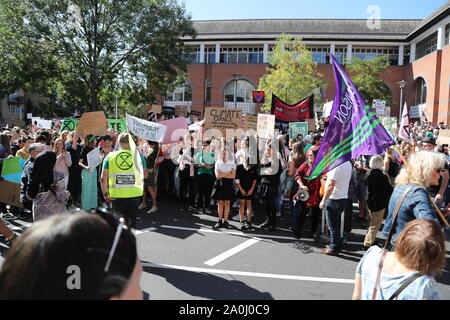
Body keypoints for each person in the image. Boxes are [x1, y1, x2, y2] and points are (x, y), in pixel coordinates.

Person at [353, 219, 445, 300]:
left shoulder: (372, 254)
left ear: (402, 238)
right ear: (435, 255)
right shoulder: (423, 288)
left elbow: (356, 297)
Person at [382, 151, 450, 247]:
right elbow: (432, 228)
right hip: (408, 248)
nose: (441, 174)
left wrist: (442, 213)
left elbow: (411, 215)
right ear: (427, 170)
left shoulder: (403, 185)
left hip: (397, 242)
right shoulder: (418, 193)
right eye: (439, 170)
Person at [101, 133, 147, 229]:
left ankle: (119, 242)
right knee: (131, 224)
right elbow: (145, 175)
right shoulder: (139, 156)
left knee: (118, 225)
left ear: (118, 142)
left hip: (117, 196)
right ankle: (130, 242)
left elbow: (103, 179)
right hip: (134, 194)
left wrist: (105, 194)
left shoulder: (110, 156)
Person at [319, 160, 353, 255]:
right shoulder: (348, 163)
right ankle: (335, 245)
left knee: (332, 226)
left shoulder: (336, 166)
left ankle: (334, 248)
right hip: (343, 197)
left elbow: (330, 185)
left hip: (334, 198)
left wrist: (323, 201)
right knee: (336, 224)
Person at [27, 151, 68, 221]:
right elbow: (61, 196)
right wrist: (67, 196)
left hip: (38, 212)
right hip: (55, 213)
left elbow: (29, 196)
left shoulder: (32, 174)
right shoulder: (58, 176)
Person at [363, 155, 393, 250]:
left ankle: (371, 239)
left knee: (371, 222)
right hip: (378, 202)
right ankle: (368, 243)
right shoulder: (381, 176)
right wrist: (387, 177)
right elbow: (389, 189)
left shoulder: (368, 172)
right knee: (376, 224)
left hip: (369, 200)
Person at [292, 147, 322, 241]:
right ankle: (297, 231)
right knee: (302, 213)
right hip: (305, 193)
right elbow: (297, 174)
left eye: (311, 155)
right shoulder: (305, 164)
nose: (309, 157)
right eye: (308, 155)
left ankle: (314, 232)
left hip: (317, 193)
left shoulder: (320, 165)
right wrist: (301, 184)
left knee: (316, 214)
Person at [258, 142, 283, 231]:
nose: (267, 151)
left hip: (272, 186)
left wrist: (266, 171)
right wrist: (265, 171)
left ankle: (273, 224)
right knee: (266, 205)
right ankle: (268, 221)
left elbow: (275, 173)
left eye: (269, 150)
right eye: (266, 150)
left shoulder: (276, 161)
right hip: (264, 185)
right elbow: (260, 172)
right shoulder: (264, 160)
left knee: (271, 205)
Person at [235, 137, 258, 230]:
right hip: (241, 187)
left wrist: (251, 189)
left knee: (249, 204)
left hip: (250, 188)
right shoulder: (240, 167)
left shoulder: (253, 167)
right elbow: (237, 180)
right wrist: (241, 189)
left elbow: (255, 179)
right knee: (242, 204)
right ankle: (242, 220)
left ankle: (248, 221)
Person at [211, 146, 236, 229]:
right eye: (223, 153)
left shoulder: (232, 162)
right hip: (220, 184)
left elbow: (233, 176)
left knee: (227, 203)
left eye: (226, 153)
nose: (224, 155)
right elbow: (217, 176)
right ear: (221, 154)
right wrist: (228, 173)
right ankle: (219, 221)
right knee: (220, 203)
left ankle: (226, 221)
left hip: (229, 184)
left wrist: (223, 174)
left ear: (229, 154)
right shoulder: (218, 162)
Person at [20, 143, 45, 218]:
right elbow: (27, 181)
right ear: (33, 153)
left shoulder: (38, 162)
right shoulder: (30, 165)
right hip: (31, 196)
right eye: (40, 151)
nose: (43, 153)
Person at [194, 140, 215, 215]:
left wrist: (210, 166)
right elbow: (195, 164)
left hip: (209, 175)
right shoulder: (199, 154)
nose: (203, 146)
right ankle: (199, 207)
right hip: (200, 174)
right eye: (203, 145)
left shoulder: (212, 154)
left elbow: (215, 164)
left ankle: (207, 207)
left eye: (205, 145)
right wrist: (201, 165)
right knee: (200, 191)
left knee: (208, 192)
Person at [78, 135, 98, 211]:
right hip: (86, 171)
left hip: (94, 170)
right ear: (92, 141)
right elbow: (79, 163)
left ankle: (92, 206)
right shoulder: (84, 149)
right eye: (95, 139)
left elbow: (96, 161)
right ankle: (85, 208)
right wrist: (86, 167)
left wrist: (100, 159)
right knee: (86, 190)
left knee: (93, 189)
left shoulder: (95, 149)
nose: (96, 141)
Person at [143, 141, 160, 214]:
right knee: (146, 187)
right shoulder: (150, 148)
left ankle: (154, 205)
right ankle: (144, 203)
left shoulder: (156, 150)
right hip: (146, 171)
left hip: (152, 172)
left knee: (151, 188)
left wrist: (159, 160)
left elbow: (160, 159)